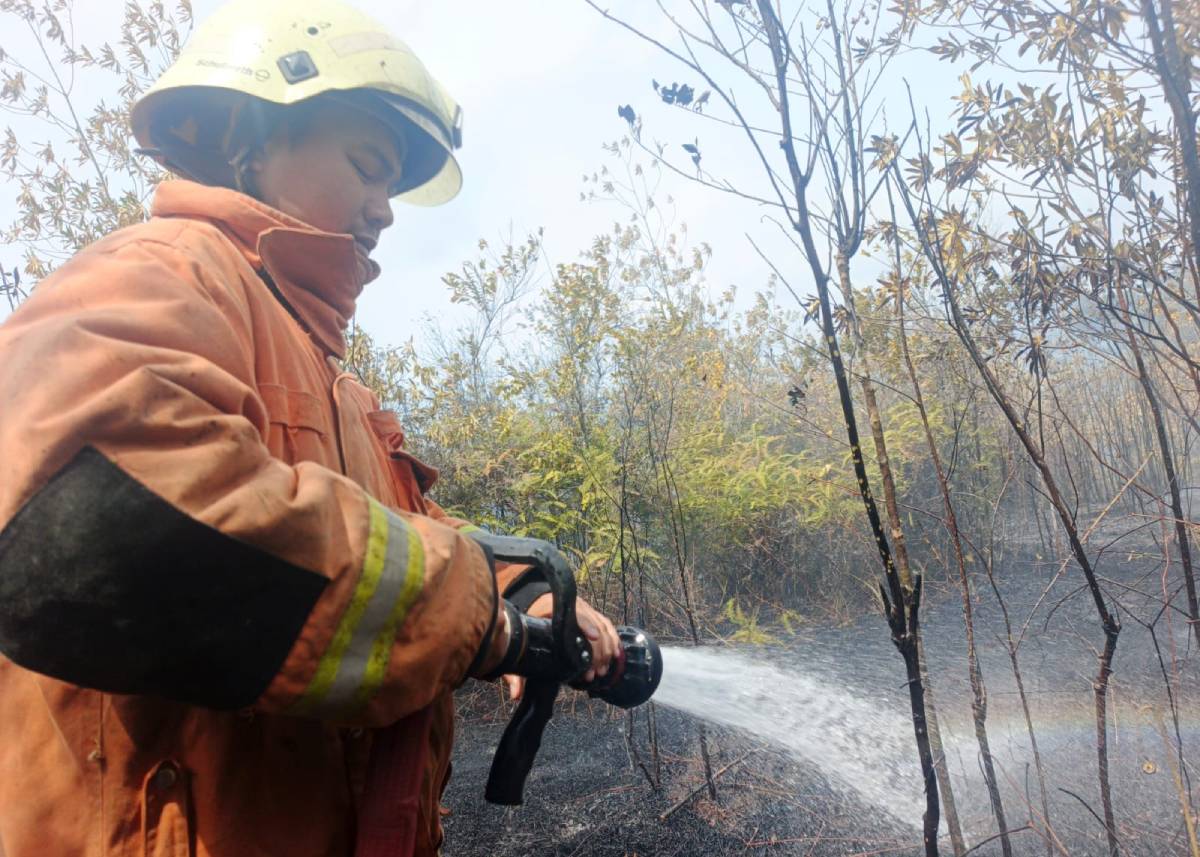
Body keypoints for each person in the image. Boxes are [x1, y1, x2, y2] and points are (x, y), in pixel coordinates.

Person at [0, 2, 620, 855]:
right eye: (368, 165)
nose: (386, 208)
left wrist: (523, 594)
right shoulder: (160, 274)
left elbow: (415, 536)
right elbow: (87, 523)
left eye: (394, 185)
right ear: (248, 135)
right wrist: (472, 618)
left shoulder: (338, 386)